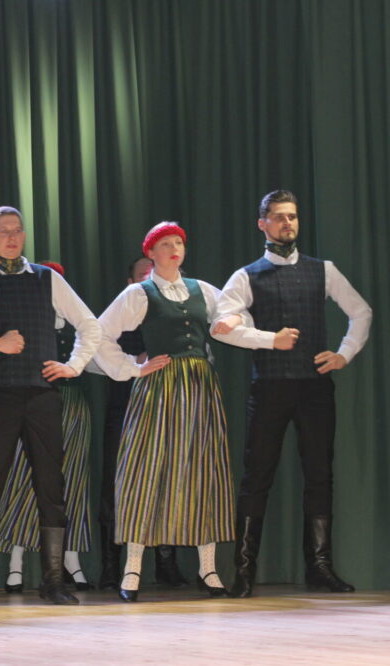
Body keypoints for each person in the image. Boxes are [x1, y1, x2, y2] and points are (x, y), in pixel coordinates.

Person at [212, 190, 371, 597]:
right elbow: (221, 326)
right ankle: (244, 572)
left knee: (319, 474)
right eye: (280, 216)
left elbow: (361, 312)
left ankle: (319, 567)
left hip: (315, 386)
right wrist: (269, 339)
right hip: (270, 386)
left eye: (293, 216)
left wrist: (344, 353)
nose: (288, 223)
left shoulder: (324, 270)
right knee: (257, 476)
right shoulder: (246, 276)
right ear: (262, 223)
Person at [0, 207, 101, 608]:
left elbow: (90, 324)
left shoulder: (48, 278)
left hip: (41, 395)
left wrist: (73, 366)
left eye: (17, 230)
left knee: (51, 485)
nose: (13, 237)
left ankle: (53, 582)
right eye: (4, 231)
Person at [95, 222, 245, 602]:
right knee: (145, 471)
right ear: (151, 253)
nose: (174, 248)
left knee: (203, 471)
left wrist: (239, 323)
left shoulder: (202, 290)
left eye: (179, 242)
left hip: (200, 388)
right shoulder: (139, 293)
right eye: (165, 244)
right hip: (158, 388)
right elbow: (97, 334)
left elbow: (236, 317)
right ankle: (132, 570)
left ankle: (208, 569)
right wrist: (133, 367)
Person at [0, 262, 94, 593]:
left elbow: (97, 349)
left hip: (71, 404)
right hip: (31, 401)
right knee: (22, 477)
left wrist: (74, 366)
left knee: (70, 480)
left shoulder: (74, 323)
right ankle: (15, 559)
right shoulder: (25, 321)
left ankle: (69, 557)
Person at [92, 256, 190, 590]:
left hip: (168, 408)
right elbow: (91, 356)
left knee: (168, 481)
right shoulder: (119, 315)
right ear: (130, 283)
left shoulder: (176, 316)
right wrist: (133, 362)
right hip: (125, 408)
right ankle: (111, 565)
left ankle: (166, 562)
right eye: (143, 274)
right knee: (115, 485)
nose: (151, 278)